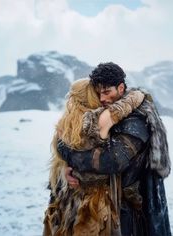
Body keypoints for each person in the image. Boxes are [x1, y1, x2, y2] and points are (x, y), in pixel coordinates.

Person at [57, 62, 172, 236]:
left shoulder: (138, 119)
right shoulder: (108, 113)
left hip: (131, 212)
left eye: (106, 92)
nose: (102, 98)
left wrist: (70, 155)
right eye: (98, 93)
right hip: (113, 207)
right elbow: (74, 143)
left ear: (120, 88)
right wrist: (69, 169)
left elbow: (110, 161)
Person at [43, 78, 145, 236]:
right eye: (98, 94)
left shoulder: (63, 126)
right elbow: (124, 107)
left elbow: (60, 162)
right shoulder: (96, 121)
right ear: (91, 97)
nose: (103, 99)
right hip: (93, 203)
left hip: (66, 201)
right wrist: (137, 94)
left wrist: (66, 170)